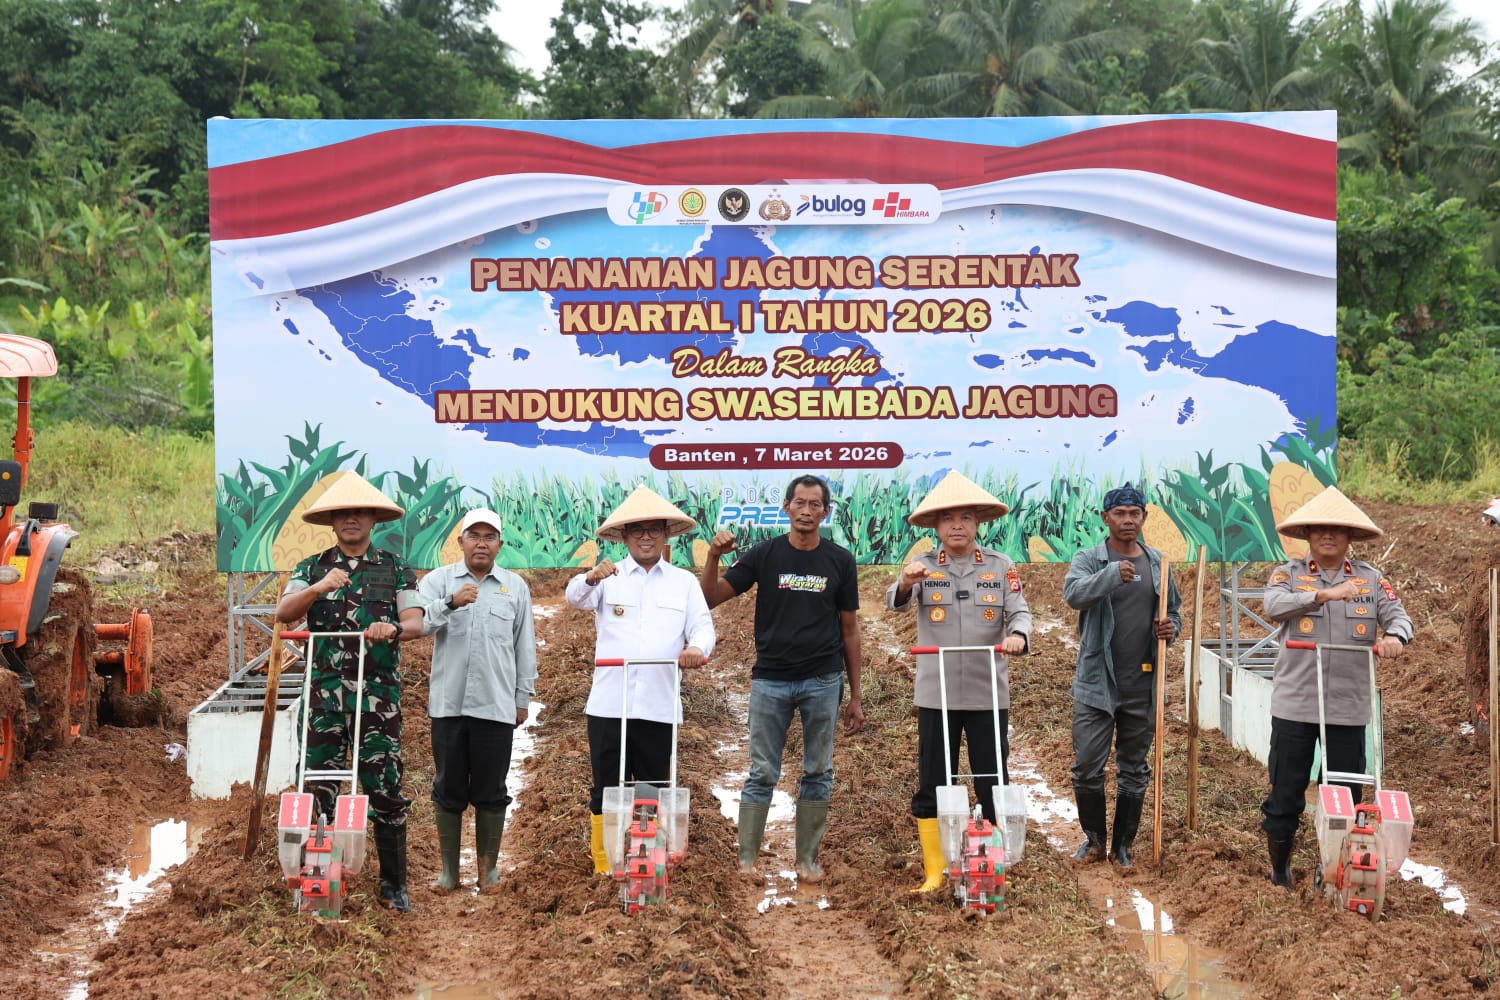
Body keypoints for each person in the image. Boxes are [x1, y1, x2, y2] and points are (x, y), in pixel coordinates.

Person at [700, 474, 864, 881]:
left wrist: (856, 694)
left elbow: (849, 629)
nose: (807, 511)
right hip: (770, 680)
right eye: (800, 503)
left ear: (826, 512)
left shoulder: (839, 560)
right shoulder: (765, 555)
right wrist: (712, 558)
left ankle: (806, 860)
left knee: (817, 771)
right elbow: (709, 599)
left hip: (823, 681)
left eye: (815, 505)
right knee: (761, 772)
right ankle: (747, 861)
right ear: (786, 507)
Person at [276, 473, 424, 912]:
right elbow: (284, 614)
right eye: (343, 513)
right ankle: (316, 879)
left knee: (384, 788)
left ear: (374, 519)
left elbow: (414, 622)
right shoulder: (311, 567)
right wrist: (320, 588)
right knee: (318, 783)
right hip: (325, 697)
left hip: (378, 699)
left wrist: (392, 627)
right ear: (333, 522)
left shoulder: (395, 568)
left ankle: (393, 885)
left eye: (360, 512)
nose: (352, 519)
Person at [887, 471, 1032, 892]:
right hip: (938, 692)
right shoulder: (923, 567)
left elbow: (1020, 612)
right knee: (934, 779)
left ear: (977, 524)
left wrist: (1018, 636)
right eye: (948, 518)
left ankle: (991, 862)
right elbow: (894, 605)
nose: (957, 525)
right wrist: (905, 583)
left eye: (966, 517)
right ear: (935, 526)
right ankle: (936, 869)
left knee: (992, 778)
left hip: (988, 690)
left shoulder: (1001, 567)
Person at [1260, 485, 1411, 888]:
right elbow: (1273, 606)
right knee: (1287, 792)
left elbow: (1399, 617)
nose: (1329, 536)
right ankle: (1280, 870)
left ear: (1349, 538)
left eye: (1338, 530)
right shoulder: (1287, 575)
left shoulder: (1371, 579)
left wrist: (1395, 637)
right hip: (1296, 703)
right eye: (1320, 530)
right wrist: (1323, 595)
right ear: (1308, 536)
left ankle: (1332, 869)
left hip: (1348, 704)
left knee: (1343, 795)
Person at [565, 485, 716, 875]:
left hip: (658, 703)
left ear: (666, 535)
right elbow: (574, 598)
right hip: (609, 702)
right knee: (606, 788)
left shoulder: (683, 583)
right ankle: (605, 867)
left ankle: (645, 865)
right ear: (625, 537)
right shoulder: (608, 578)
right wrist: (591, 578)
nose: (646, 537)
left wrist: (697, 649)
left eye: (653, 530)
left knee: (650, 787)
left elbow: (702, 627)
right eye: (637, 531)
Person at [416, 508, 536, 891]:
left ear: (500, 544)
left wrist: (522, 697)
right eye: (474, 535)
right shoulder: (439, 581)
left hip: (496, 705)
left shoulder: (514, 587)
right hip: (448, 704)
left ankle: (489, 871)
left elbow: (524, 645)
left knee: (491, 789)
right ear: (461, 541)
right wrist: (450, 603)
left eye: (489, 536)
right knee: (448, 787)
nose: (481, 543)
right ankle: (449, 872)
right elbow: (418, 625)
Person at [1062, 483, 1181, 868]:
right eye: (1120, 514)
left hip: (1142, 684)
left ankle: (1122, 846)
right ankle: (1094, 840)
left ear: (1144, 517)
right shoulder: (1090, 560)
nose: (1128, 520)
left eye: (1135, 513)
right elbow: (1074, 595)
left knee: (1134, 768)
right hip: (1097, 683)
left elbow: (1174, 612)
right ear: (1105, 518)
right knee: (1087, 768)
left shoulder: (1158, 563)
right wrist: (1112, 576)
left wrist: (1171, 628)